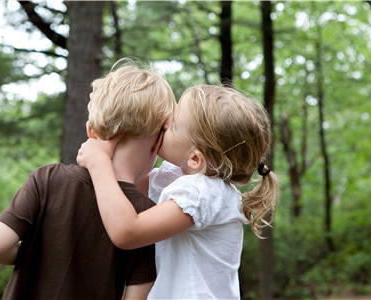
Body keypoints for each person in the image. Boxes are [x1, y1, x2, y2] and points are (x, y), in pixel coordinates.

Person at [0, 58, 176, 300]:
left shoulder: (48, 178)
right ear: (157, 143)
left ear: (91, 132)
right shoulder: (145, 217)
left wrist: (37, 253)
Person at [77, 84, 280, 299]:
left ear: (195, 159)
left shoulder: (204, 193)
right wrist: (107, 110)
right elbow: (126, 183)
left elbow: (128, 232)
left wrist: (99, 163)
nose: (164, 122)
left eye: (173, 123)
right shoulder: (183, 179)